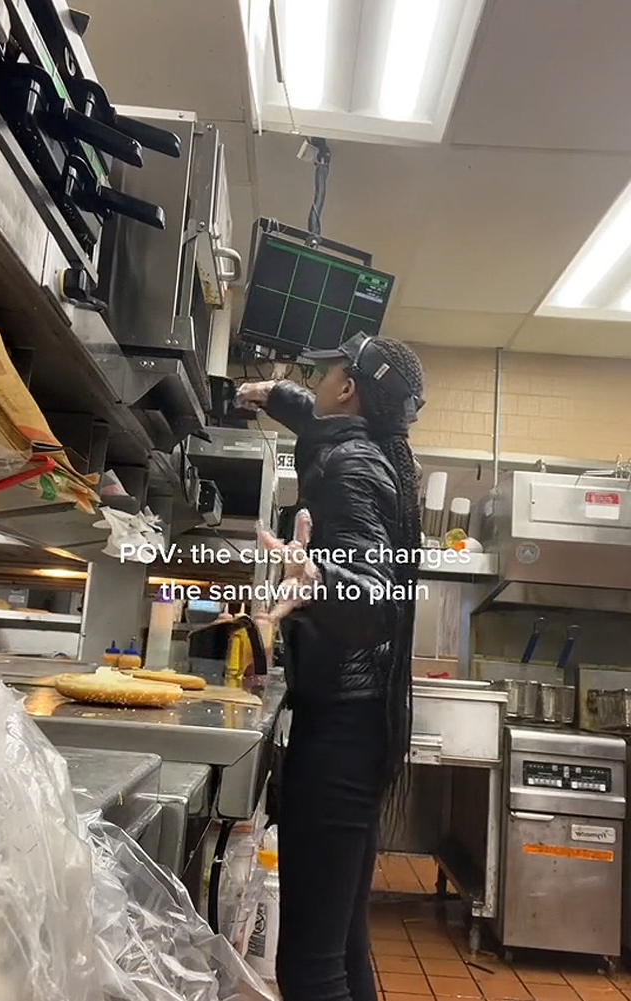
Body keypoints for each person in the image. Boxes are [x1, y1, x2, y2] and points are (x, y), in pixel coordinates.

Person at [237, 333, 424, 1001]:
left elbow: (375, 596)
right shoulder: (362, 452)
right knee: (342, 945)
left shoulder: (349, 469)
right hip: (360, 720)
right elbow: (322, 427)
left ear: (348, 390)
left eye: (324, 374)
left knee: (311, 970)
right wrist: (284, 400)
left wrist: (315, 576)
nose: (314, 382)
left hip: (342, 731)